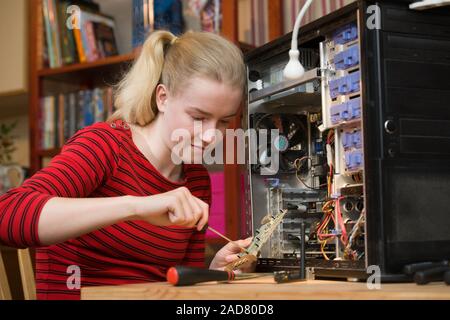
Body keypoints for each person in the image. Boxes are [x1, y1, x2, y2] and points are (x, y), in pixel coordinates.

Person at [0, 30, 252, 300]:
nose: (211, 136)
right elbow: (7, 215)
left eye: (224, 121)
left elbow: (179, 290)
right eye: (198, 117)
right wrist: (137, 206)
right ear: (163, 98)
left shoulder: (197, 181)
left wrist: (212, 273)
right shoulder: (106, 147)